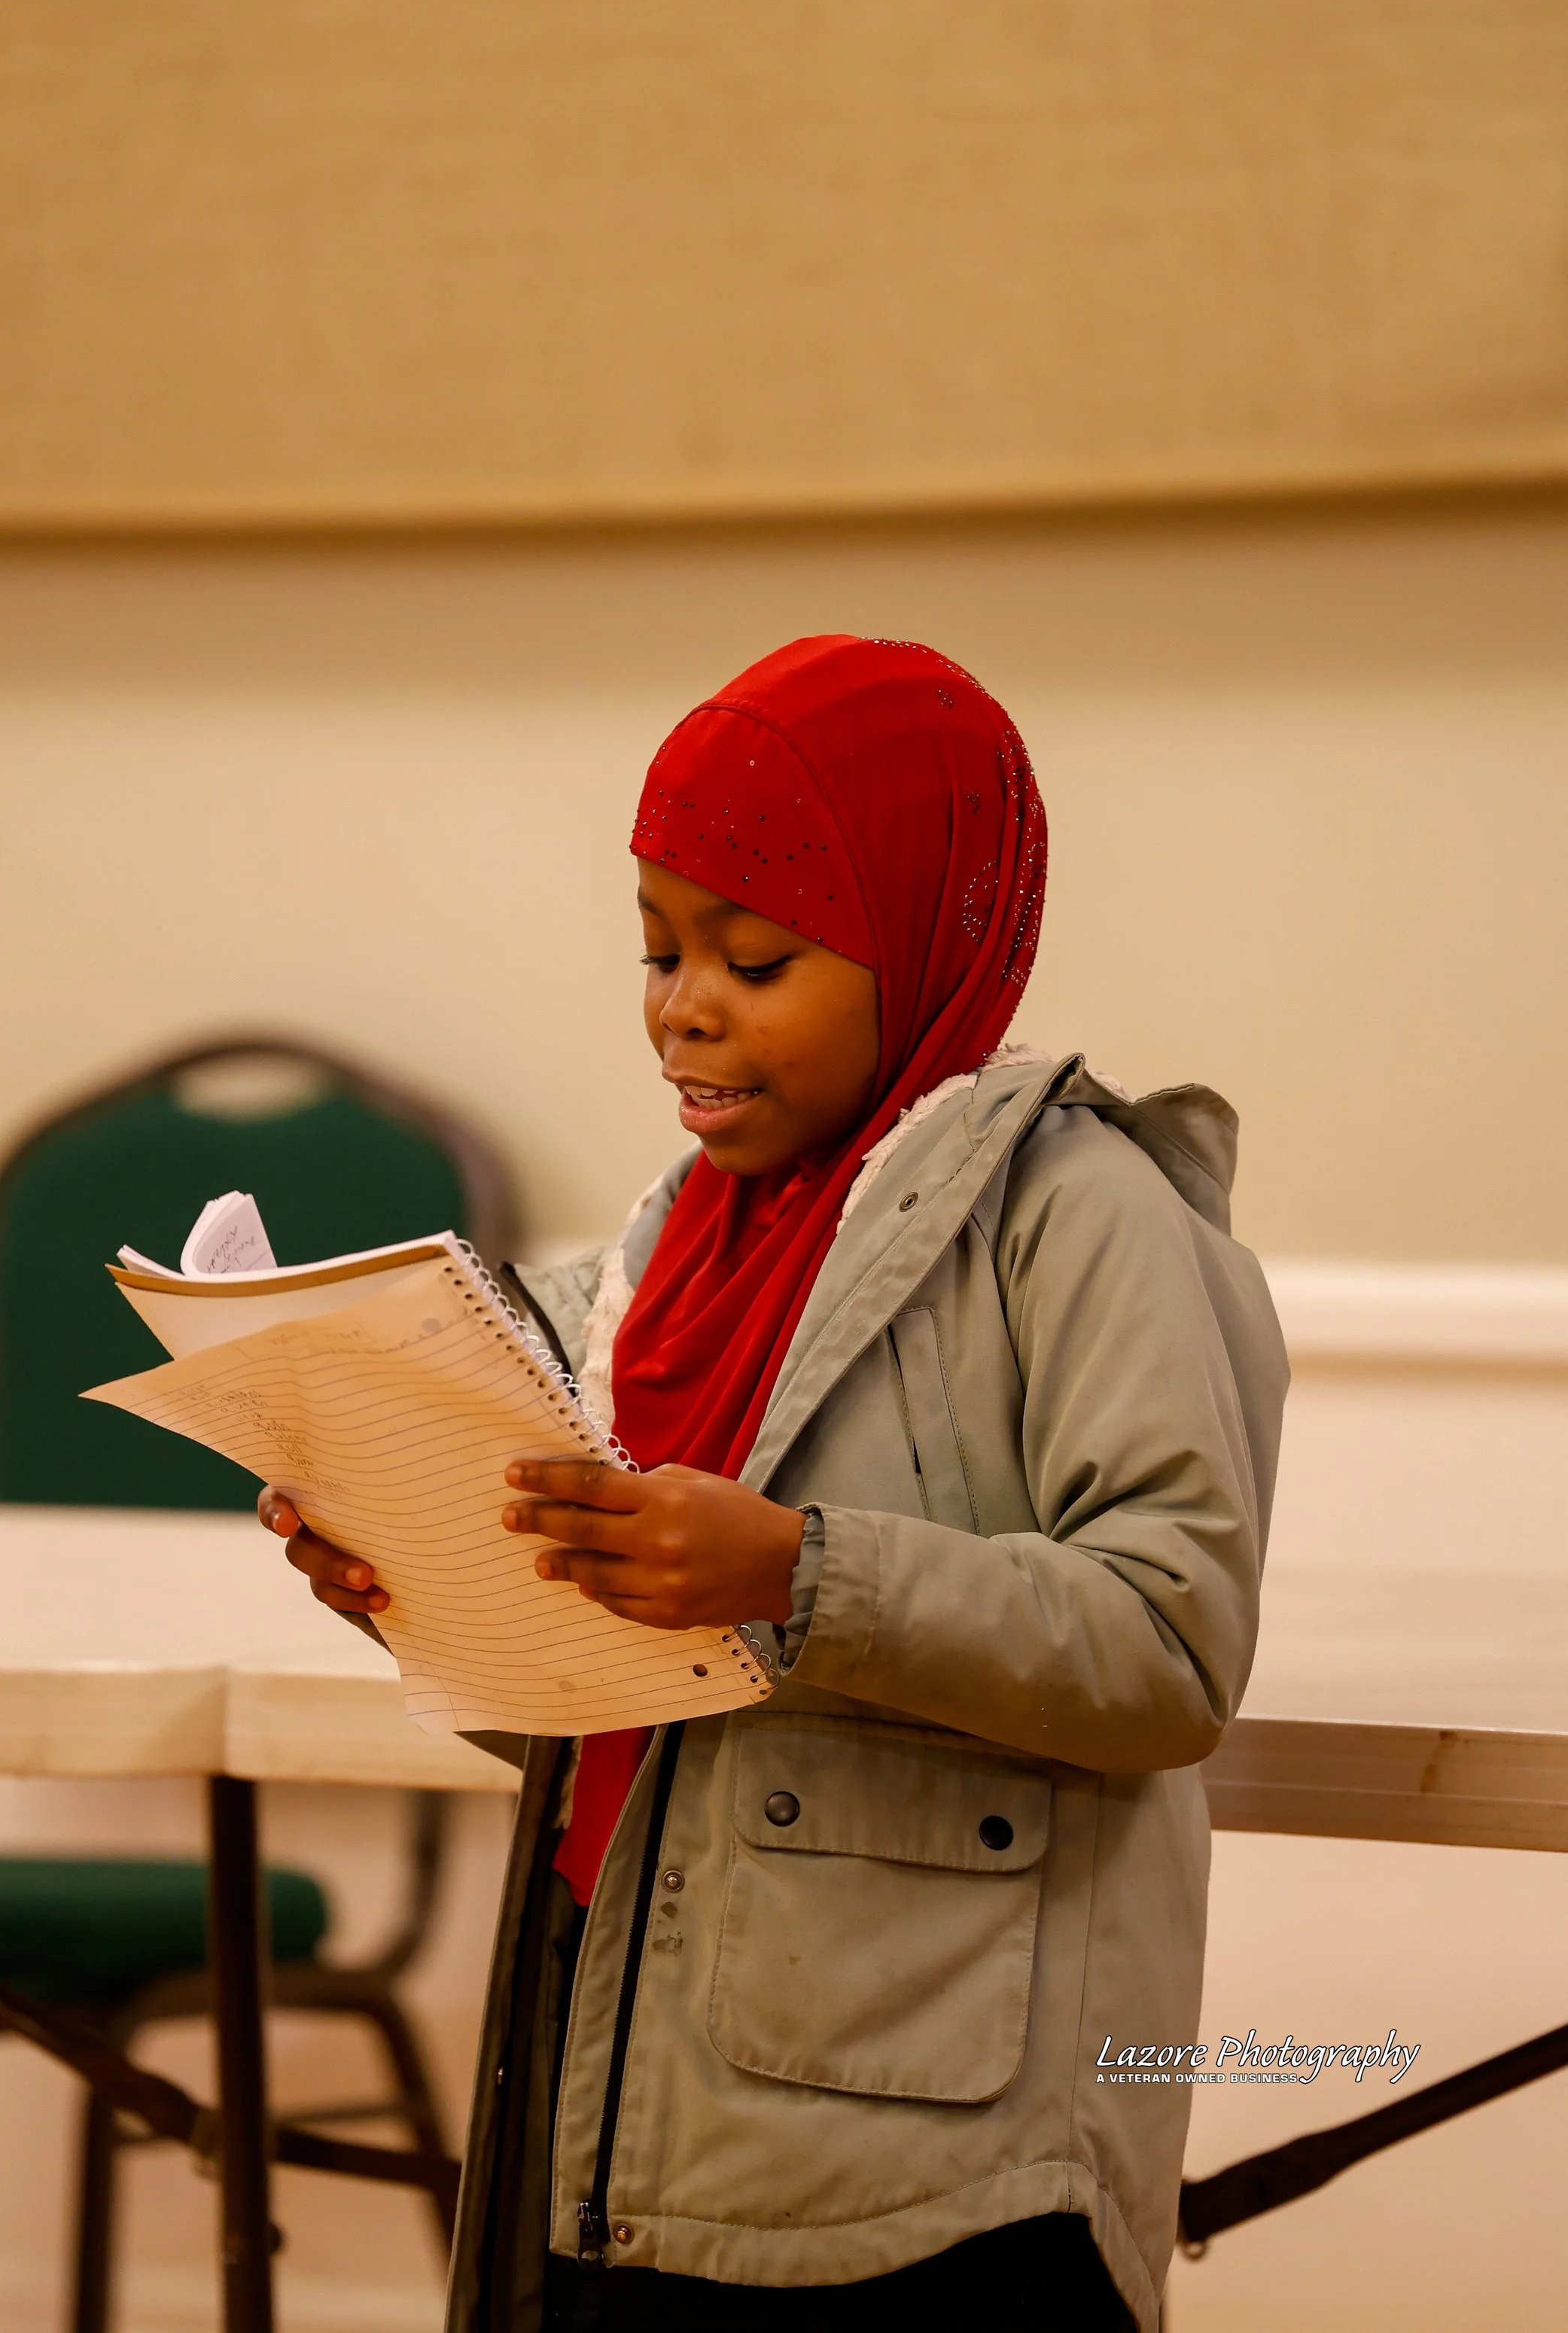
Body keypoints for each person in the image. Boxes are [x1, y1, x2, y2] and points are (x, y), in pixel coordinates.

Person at [261, 635, 1287, 2333]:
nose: (682, 1004)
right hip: (627, 2132)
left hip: (937, 2190)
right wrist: (417, 1569)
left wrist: (794, 1573)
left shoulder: (1080, 1212)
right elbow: (604, 1700)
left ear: (922, 936)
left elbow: (1169, 1642)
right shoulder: (670, 1246)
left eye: (754, 954)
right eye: (656, 949)